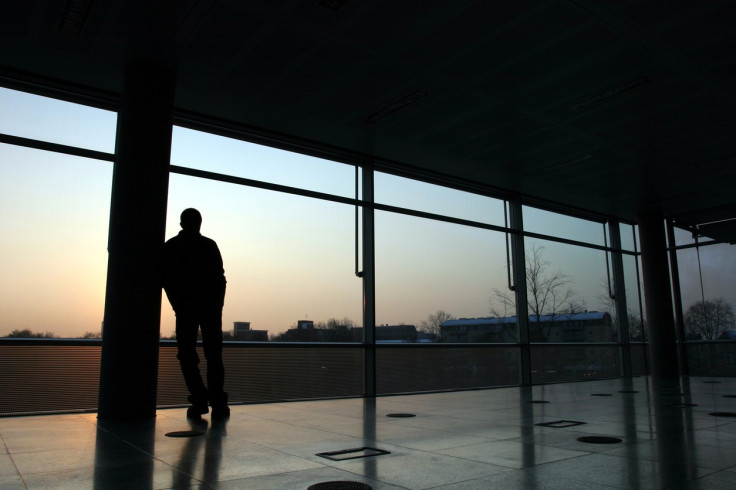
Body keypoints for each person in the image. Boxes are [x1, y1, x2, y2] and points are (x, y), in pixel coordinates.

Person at [163, 208, 229, 418]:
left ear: (182, 223)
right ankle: (216, 400)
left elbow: (166, 280)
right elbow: (220, 279)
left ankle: (200, 398)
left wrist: (178, 305)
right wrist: (217, 305)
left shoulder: (172, 247)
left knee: (187, 356)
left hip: (186, 309)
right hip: (209, 308)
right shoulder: (209, 246)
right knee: (213, 355)